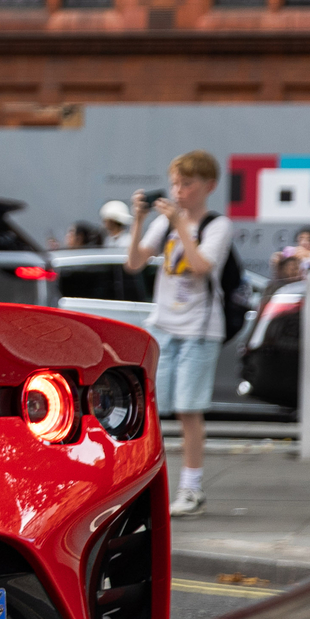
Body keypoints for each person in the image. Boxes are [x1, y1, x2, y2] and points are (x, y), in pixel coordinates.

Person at [125, 151, 231, 517]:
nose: (179, 191)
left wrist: (180, 224)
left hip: (199, 330)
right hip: (163, 326)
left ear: (208, 186)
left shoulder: (218, 224)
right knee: (152, 410)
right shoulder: (166, 222)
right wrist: (140, 221)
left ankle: (191, 488)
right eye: (175, 183)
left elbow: (201, 265)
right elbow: (134, 262)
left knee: (189, 411)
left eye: (188, 184)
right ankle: (146, 486)